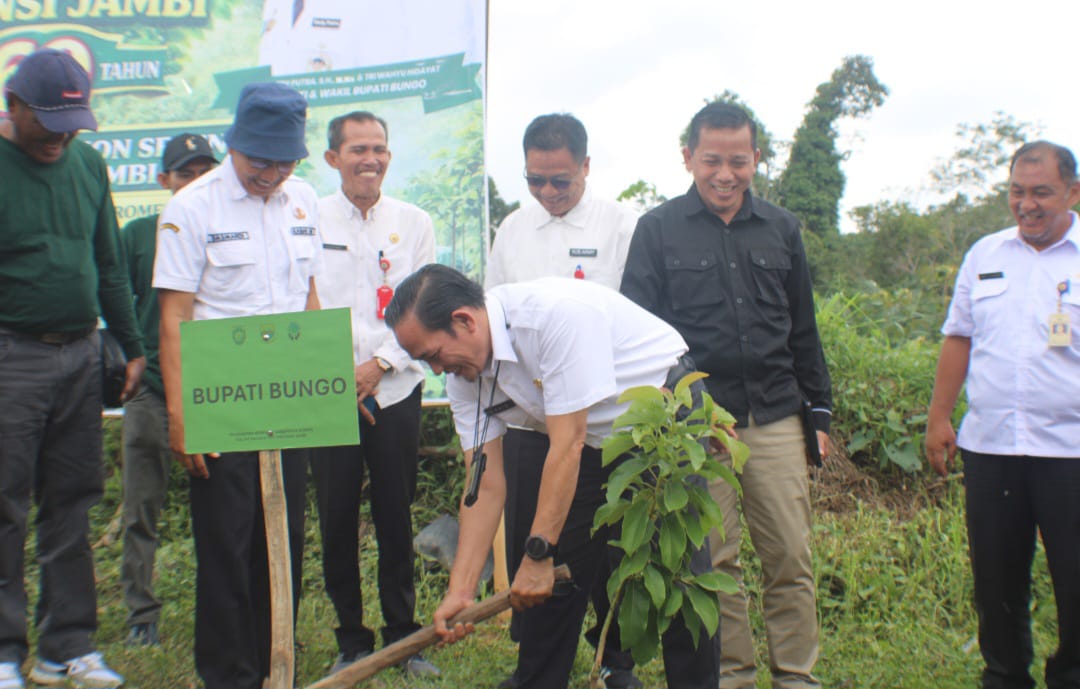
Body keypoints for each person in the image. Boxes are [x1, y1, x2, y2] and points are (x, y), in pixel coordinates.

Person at [384, 264, 720, 689]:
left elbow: (566, 446)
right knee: (546, 579)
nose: (436, 370)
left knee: (679, 575)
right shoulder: (465, 375)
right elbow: (483, 485)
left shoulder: (551, 319)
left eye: (433, 355)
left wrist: (538, 554)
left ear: (464, 321)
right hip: (593, 437)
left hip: (661, 418)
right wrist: (461, 590)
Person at [620, 101, 832, 689]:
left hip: (776, 417)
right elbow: (641, 335)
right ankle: (732, 677)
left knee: (790, 558)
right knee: (715, 563)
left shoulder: (782, 228)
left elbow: (803, 327)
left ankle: (796, 677)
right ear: (687, 157)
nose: (724, 174)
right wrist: (691, 408)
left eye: (738, 161)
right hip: (697, 429)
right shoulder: (656, 229)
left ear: (756, 160)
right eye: (711, 160)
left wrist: (819, 411)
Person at [153, 82, 322, 689]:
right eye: (260, 161)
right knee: (227, 543)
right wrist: (181, 415)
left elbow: (308, 299)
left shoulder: (303, 200)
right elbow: (173, 318)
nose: (272, 174)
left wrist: (320, 386)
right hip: (220, 396)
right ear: (234, 145)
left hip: (289, 394)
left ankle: (278, 661)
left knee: (283, 539)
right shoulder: (192, 208)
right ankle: (229, 675)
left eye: (285, 161)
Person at [0, 48, 145, 689]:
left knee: (72, 503)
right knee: (5, 504)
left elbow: (109, 263)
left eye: (74, 124)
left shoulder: (87, 164)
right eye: (50, 125)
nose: (62, 138)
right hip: (11, 355)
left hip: (82, 353)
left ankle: (68, 646)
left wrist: (132, 344)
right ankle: (5, 652)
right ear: (14, 108)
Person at [485, 112, 640, 689]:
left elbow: (632, 316)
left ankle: (613, 659)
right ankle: (537, 665)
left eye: (560, 181)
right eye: (535, 181)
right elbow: (495, 315)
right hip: (531, 420)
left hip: (601, 423)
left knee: (609, 545)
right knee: (538, 536)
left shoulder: (622, 225)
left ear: (585, 167)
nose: (547, 193)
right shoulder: (512, 230)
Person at [926, 141, 1080, 689]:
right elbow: (958, 337)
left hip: (1070, 453)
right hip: (992, 449)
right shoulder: (985, 255)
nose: (1027, 204)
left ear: (1073, 192)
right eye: (1018, 191)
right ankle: (1005, 675)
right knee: (996, 584)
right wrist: (940, 417)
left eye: (1042, 192)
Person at [312, 111, 438, 677]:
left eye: (380, 148)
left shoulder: (412, 222)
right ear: (332, 158)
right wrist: (343, 374)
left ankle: (402, 636)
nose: (371, 158)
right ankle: (351, 638)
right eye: (358, 148)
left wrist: (380, 364)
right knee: (336, 515)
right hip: (327, 390)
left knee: (395, 513)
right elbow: (302, 302)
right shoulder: (307, 219)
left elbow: (428, 309)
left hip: (396, 388)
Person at [119, 133, 217, 648]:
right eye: (185, 173)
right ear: (164, 181)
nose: (196, 182)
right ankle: (140, 612)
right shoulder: (138, 234)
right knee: (142, 507)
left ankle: (223, 606)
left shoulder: (226, 231)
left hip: (215, 392)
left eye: (206, 171)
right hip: (154, 392)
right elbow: (114, 298)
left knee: (225, 508)